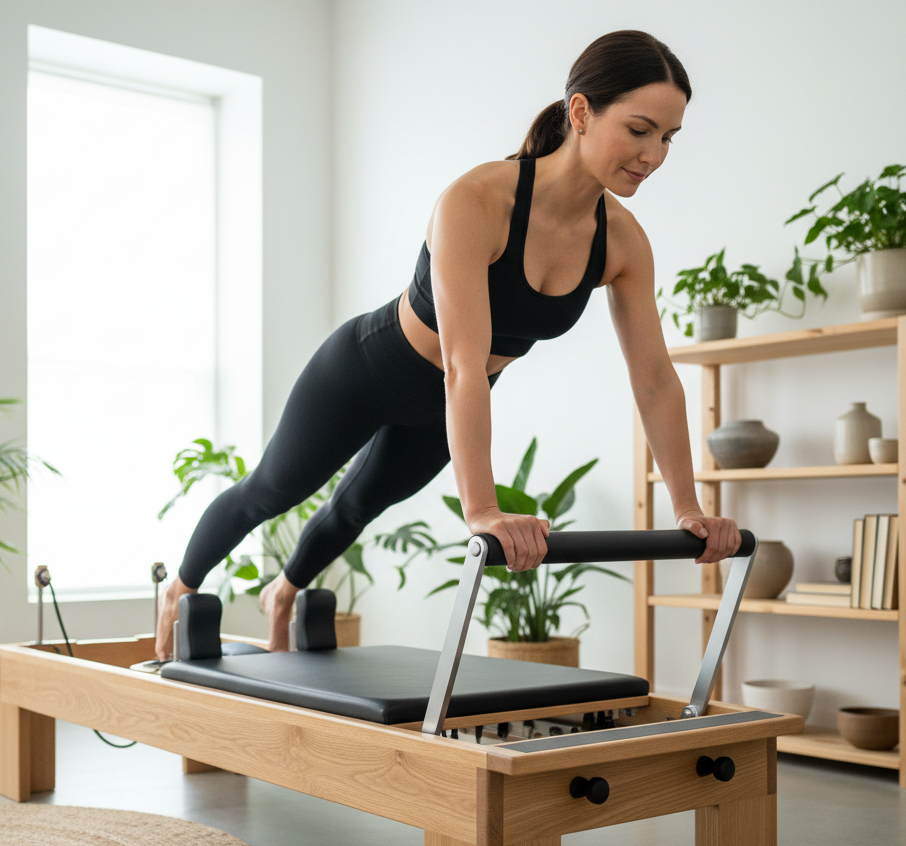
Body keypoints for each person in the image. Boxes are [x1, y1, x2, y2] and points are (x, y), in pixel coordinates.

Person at [155, 28, 741, 660]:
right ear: (580, 113)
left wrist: (688, 508)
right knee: (270, 492)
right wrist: (483, 510)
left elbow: (653, 377)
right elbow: (463, 362)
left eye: (668, 138)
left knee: (356, 510)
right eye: (639, 129)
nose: (654, 154)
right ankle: (177, 591)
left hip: (445, 405)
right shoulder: (477, 201)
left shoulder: (622, 242)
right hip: (365, 370)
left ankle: (283, 592)